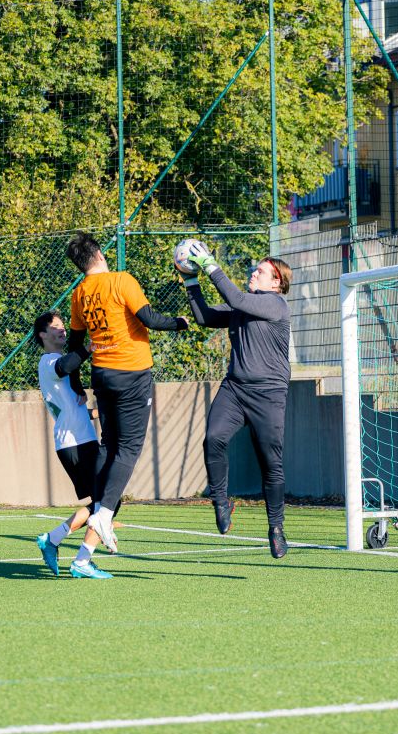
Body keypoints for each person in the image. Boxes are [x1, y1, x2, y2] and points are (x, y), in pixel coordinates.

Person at [65, 232, 189, 553]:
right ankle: (103, 514)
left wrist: (77, 383)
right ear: (101, 256)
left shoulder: (79, 294)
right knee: (130, 448)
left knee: (110, 443)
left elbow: (75, 345)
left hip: (102, 375)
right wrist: (180, 322)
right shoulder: (121, 281)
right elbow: (148, 318)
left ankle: (98, 502)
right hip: (132, 373)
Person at [182, 242, 293, 559]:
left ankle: (276, 528)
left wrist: (209, 264)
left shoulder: (275, 305)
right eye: (255, 268)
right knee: (213, 438)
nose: (254, 272)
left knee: (271, 464)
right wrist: (191, 280)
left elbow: (234, 297)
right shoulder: (242, 307)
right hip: (235, 388)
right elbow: (203, 316)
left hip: (269, 394)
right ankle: (220, 501)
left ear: (276, 283)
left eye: (261, 271)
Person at [32, 310, 112, 580]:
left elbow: (70, 407)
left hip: (80, 440)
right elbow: (64, 366)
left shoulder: (61, 366)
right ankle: (79, 559)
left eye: (64, 325)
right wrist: (88, 348)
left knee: (105, 501)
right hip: (74, 444)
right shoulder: (49, 361)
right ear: (42, 334)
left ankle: (53, 540)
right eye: (56, 327)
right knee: (107, 501)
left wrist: (97, 413)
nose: (62, 330)